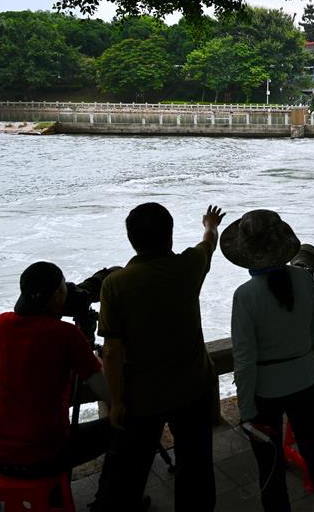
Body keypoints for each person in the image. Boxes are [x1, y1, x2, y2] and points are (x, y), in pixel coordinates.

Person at [98, 203, 225, 512]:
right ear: (169, 235)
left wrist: (116, 401)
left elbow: (112, 352)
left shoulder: (116, 284)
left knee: (128, 474)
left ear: (131, 239)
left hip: (142, 396)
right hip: (193, 387)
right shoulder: (189, 266)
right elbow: (209, 243)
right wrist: (210, 224)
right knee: (196, 469)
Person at [223, 209, 314, 512]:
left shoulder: (245, 296)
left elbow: (244, 360)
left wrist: (246, 409)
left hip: (266, 392)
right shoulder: (304, 279)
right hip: (305, 380)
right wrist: (302, 361)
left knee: (271, 468)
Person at [0, 261, 111, 482]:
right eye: (64, 287)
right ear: (55, 296)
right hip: (46, 453)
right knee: (124, 429)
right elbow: (106, 392)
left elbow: (31, 364)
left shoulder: (2, 324)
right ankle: (111, 500)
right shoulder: (66, 334)